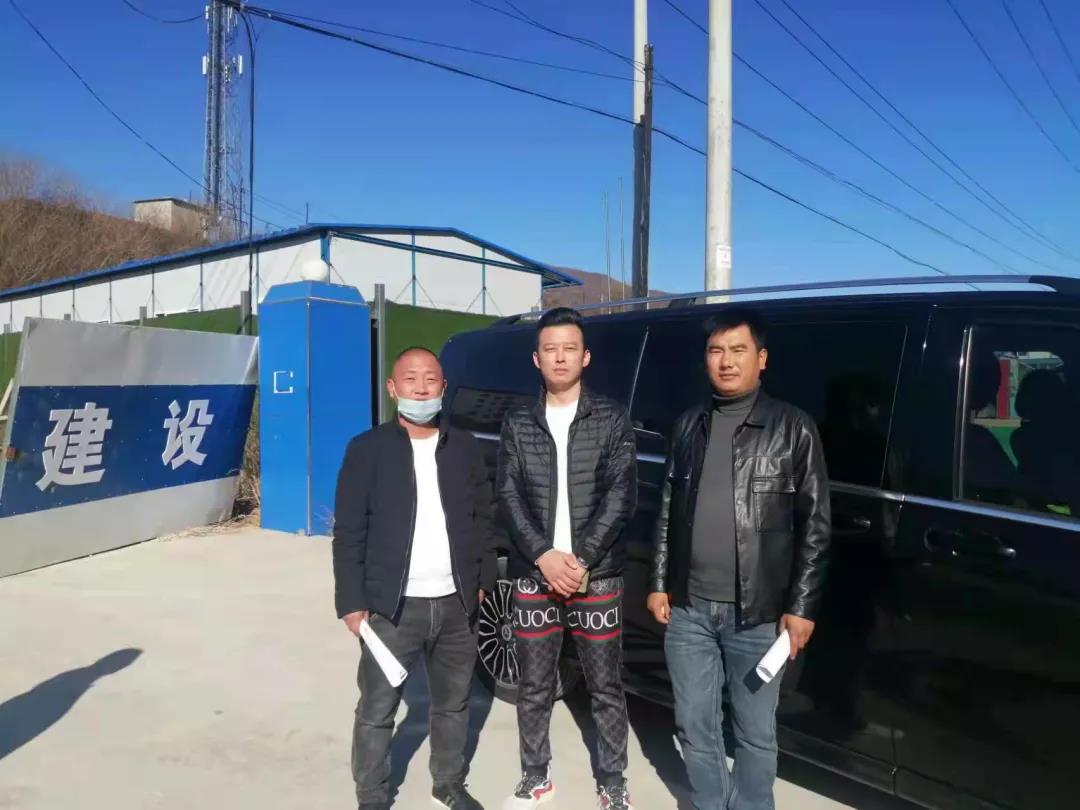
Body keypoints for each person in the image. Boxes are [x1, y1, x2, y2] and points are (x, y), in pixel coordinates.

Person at [647, 309, 831, 810]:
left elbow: (815, 526)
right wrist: (659, 581)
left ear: (761, 358)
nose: (726, 361)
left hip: (759, 616)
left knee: (754, 732)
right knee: (695, 725)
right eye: (716, 351)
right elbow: (667, 510)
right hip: (689, 612)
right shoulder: (689, 425)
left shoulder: (792, 427)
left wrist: (801, 607)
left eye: (738, 350)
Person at [332, 346, 497, 810]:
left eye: (430, 380)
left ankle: (448, 783)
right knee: (377, 707)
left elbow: (484, 518)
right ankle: (372, 794)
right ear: (392, 388)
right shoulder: (367, 450)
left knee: (454, 702)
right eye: (410, 379)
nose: (421, 389)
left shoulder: (463, 447)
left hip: (457, 603)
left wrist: (482, 581)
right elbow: (349, 531)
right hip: (391, 607)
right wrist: (351, 600)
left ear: (443, 388)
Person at [496, 307, 637, 810]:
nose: (560, 357)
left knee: (605, 685)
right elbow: (508, 494)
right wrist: (543, 555)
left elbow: (621, 495)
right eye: (550, 349)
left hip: (596, 577)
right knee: (534, 684)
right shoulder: (518, 421)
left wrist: (580, 560)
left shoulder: (611, 418)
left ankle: (613, 780)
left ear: (586, 356)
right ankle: (536, 776)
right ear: (536, 359)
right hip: (534, 575)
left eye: (569, 348)